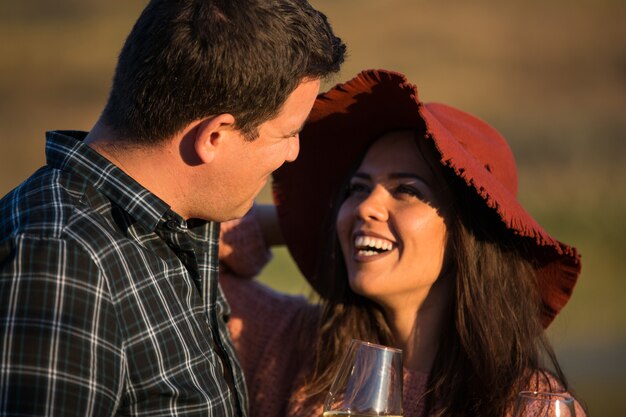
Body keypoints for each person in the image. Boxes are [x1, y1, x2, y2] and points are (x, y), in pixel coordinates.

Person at [0, 0, 345, 415]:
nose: (293, 153)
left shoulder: (173, 221)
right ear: (214, 136)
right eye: (288, 133)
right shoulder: (61, 262)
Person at [218, 69, 586, 417]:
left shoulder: (527, 404)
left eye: (406, 190)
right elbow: (176, 247)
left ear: (468, 236)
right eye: (357, 189)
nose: (365, 207)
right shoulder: (292, 344)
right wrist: (307, 225)